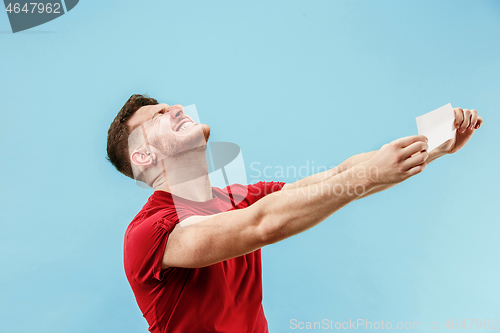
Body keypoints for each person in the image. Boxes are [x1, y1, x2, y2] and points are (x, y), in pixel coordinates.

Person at [106, 94, 483, 333]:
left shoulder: (237, 197)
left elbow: (335, 179)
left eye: (169, 104)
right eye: (157, 115)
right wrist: (372, 172)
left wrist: (434, 146)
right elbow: (261, 225)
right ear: (143, 156)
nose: (175, 107)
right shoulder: (150, 233)